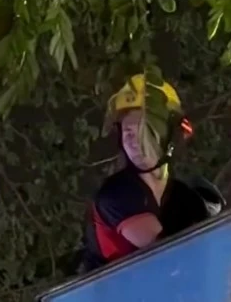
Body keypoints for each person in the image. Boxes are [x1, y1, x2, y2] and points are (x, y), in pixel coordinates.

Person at [85, 75, 217, 270]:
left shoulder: (186, 198)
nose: (133, 140)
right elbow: (169, 257)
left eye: (143, 130)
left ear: (169, 134)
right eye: (127, 131)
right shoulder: (116, 194)